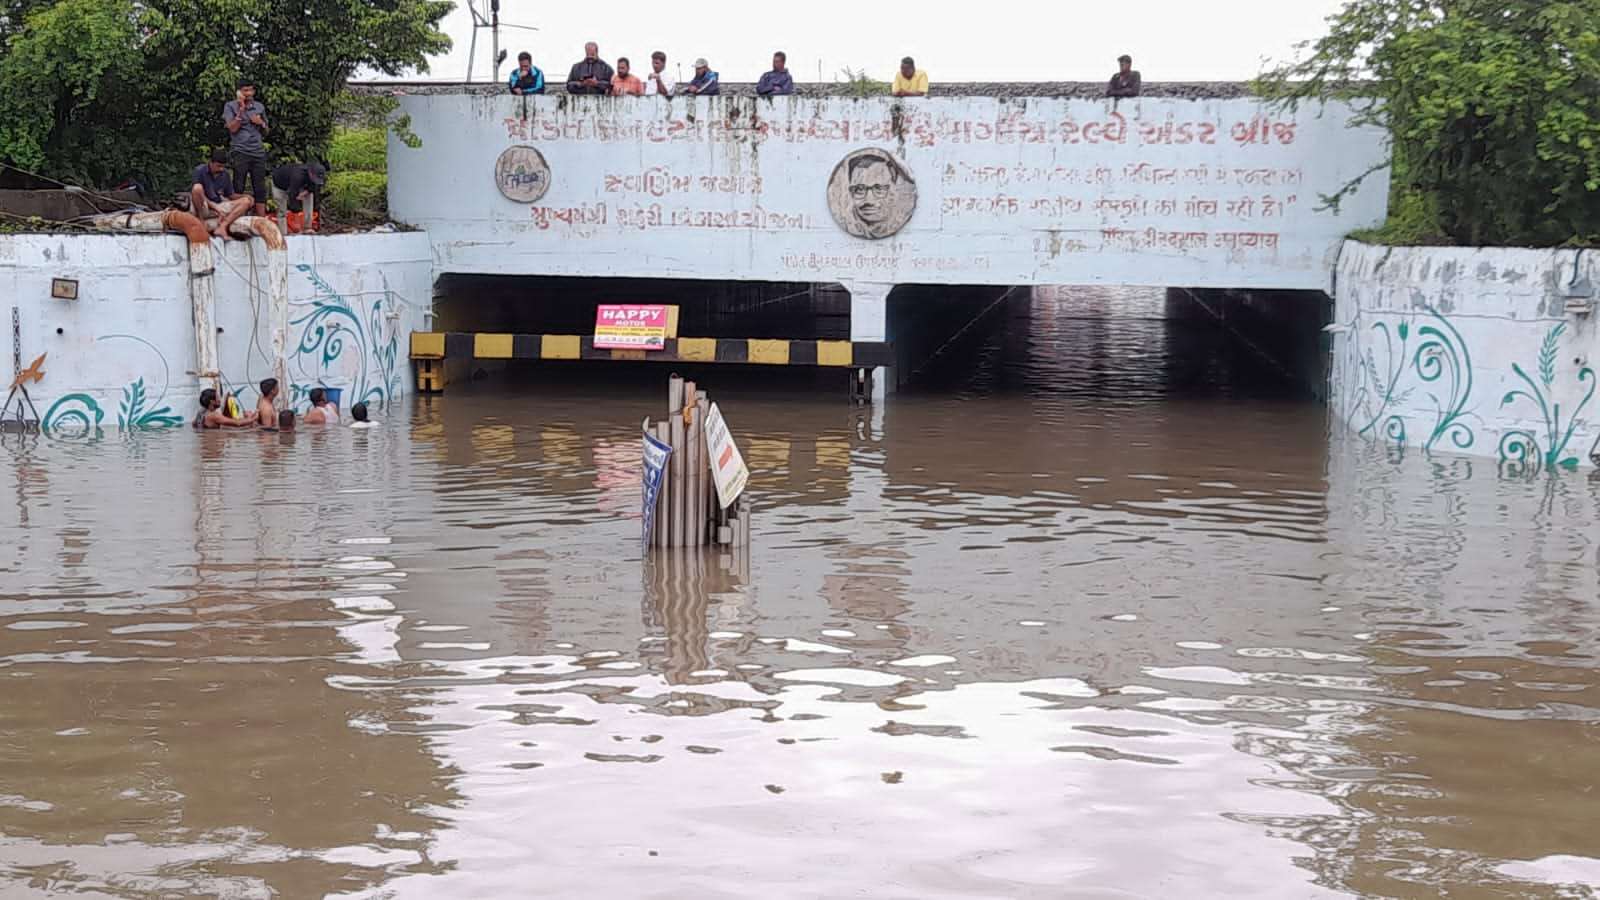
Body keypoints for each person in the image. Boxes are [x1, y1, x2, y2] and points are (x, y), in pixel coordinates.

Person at [223, 79, 270, 216]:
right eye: (245, 91)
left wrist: (260, 123)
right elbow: (232, 129)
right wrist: (241, 110)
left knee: (260, 187)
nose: (248, 93)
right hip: (240, 151)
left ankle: (261, 219)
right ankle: (237, 216)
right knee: (238, 185)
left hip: (258, 152)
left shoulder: (259, 107)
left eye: (250, 90)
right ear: (239, 92)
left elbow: (266, 132)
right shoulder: (230, 106)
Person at [190, 148, 251, 240]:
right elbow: (196, 192)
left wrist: (246, 197)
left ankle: (223, 226)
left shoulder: (225, 174)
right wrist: (214, 206)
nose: (221, 169)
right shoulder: (199, 170)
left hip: (219, 205)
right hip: (203, 205)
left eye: (223, 166)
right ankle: (201, 220)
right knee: (197, 188)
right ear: (211, 163)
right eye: (218, 166)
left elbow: (230, 195)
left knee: (246, 201)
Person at [846, 152, 902, 239]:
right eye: (860, 189)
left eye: (879, 189)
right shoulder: (847, 224)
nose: (869, 200)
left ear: (894, 192)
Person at [271, 161, 327, 234]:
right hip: (280, 184)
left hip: (298, 185)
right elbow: (293, 198)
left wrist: (304, 193)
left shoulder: (318, 176)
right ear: (310, 173)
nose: (316, 180)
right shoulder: (297, 176)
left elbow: (314, 187)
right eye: (315, 178)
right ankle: (283, 234)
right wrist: (297, 223)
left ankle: (308, 227)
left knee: (309, 197)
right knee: (281, 210)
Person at [192, 387, 256, 428]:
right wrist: (253, 418)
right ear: (212, 401)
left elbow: (194, 424)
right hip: (212, 446)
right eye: (218, 397)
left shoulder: (201, 411)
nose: (220, 399)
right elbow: (238, 424)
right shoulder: (214, 415)